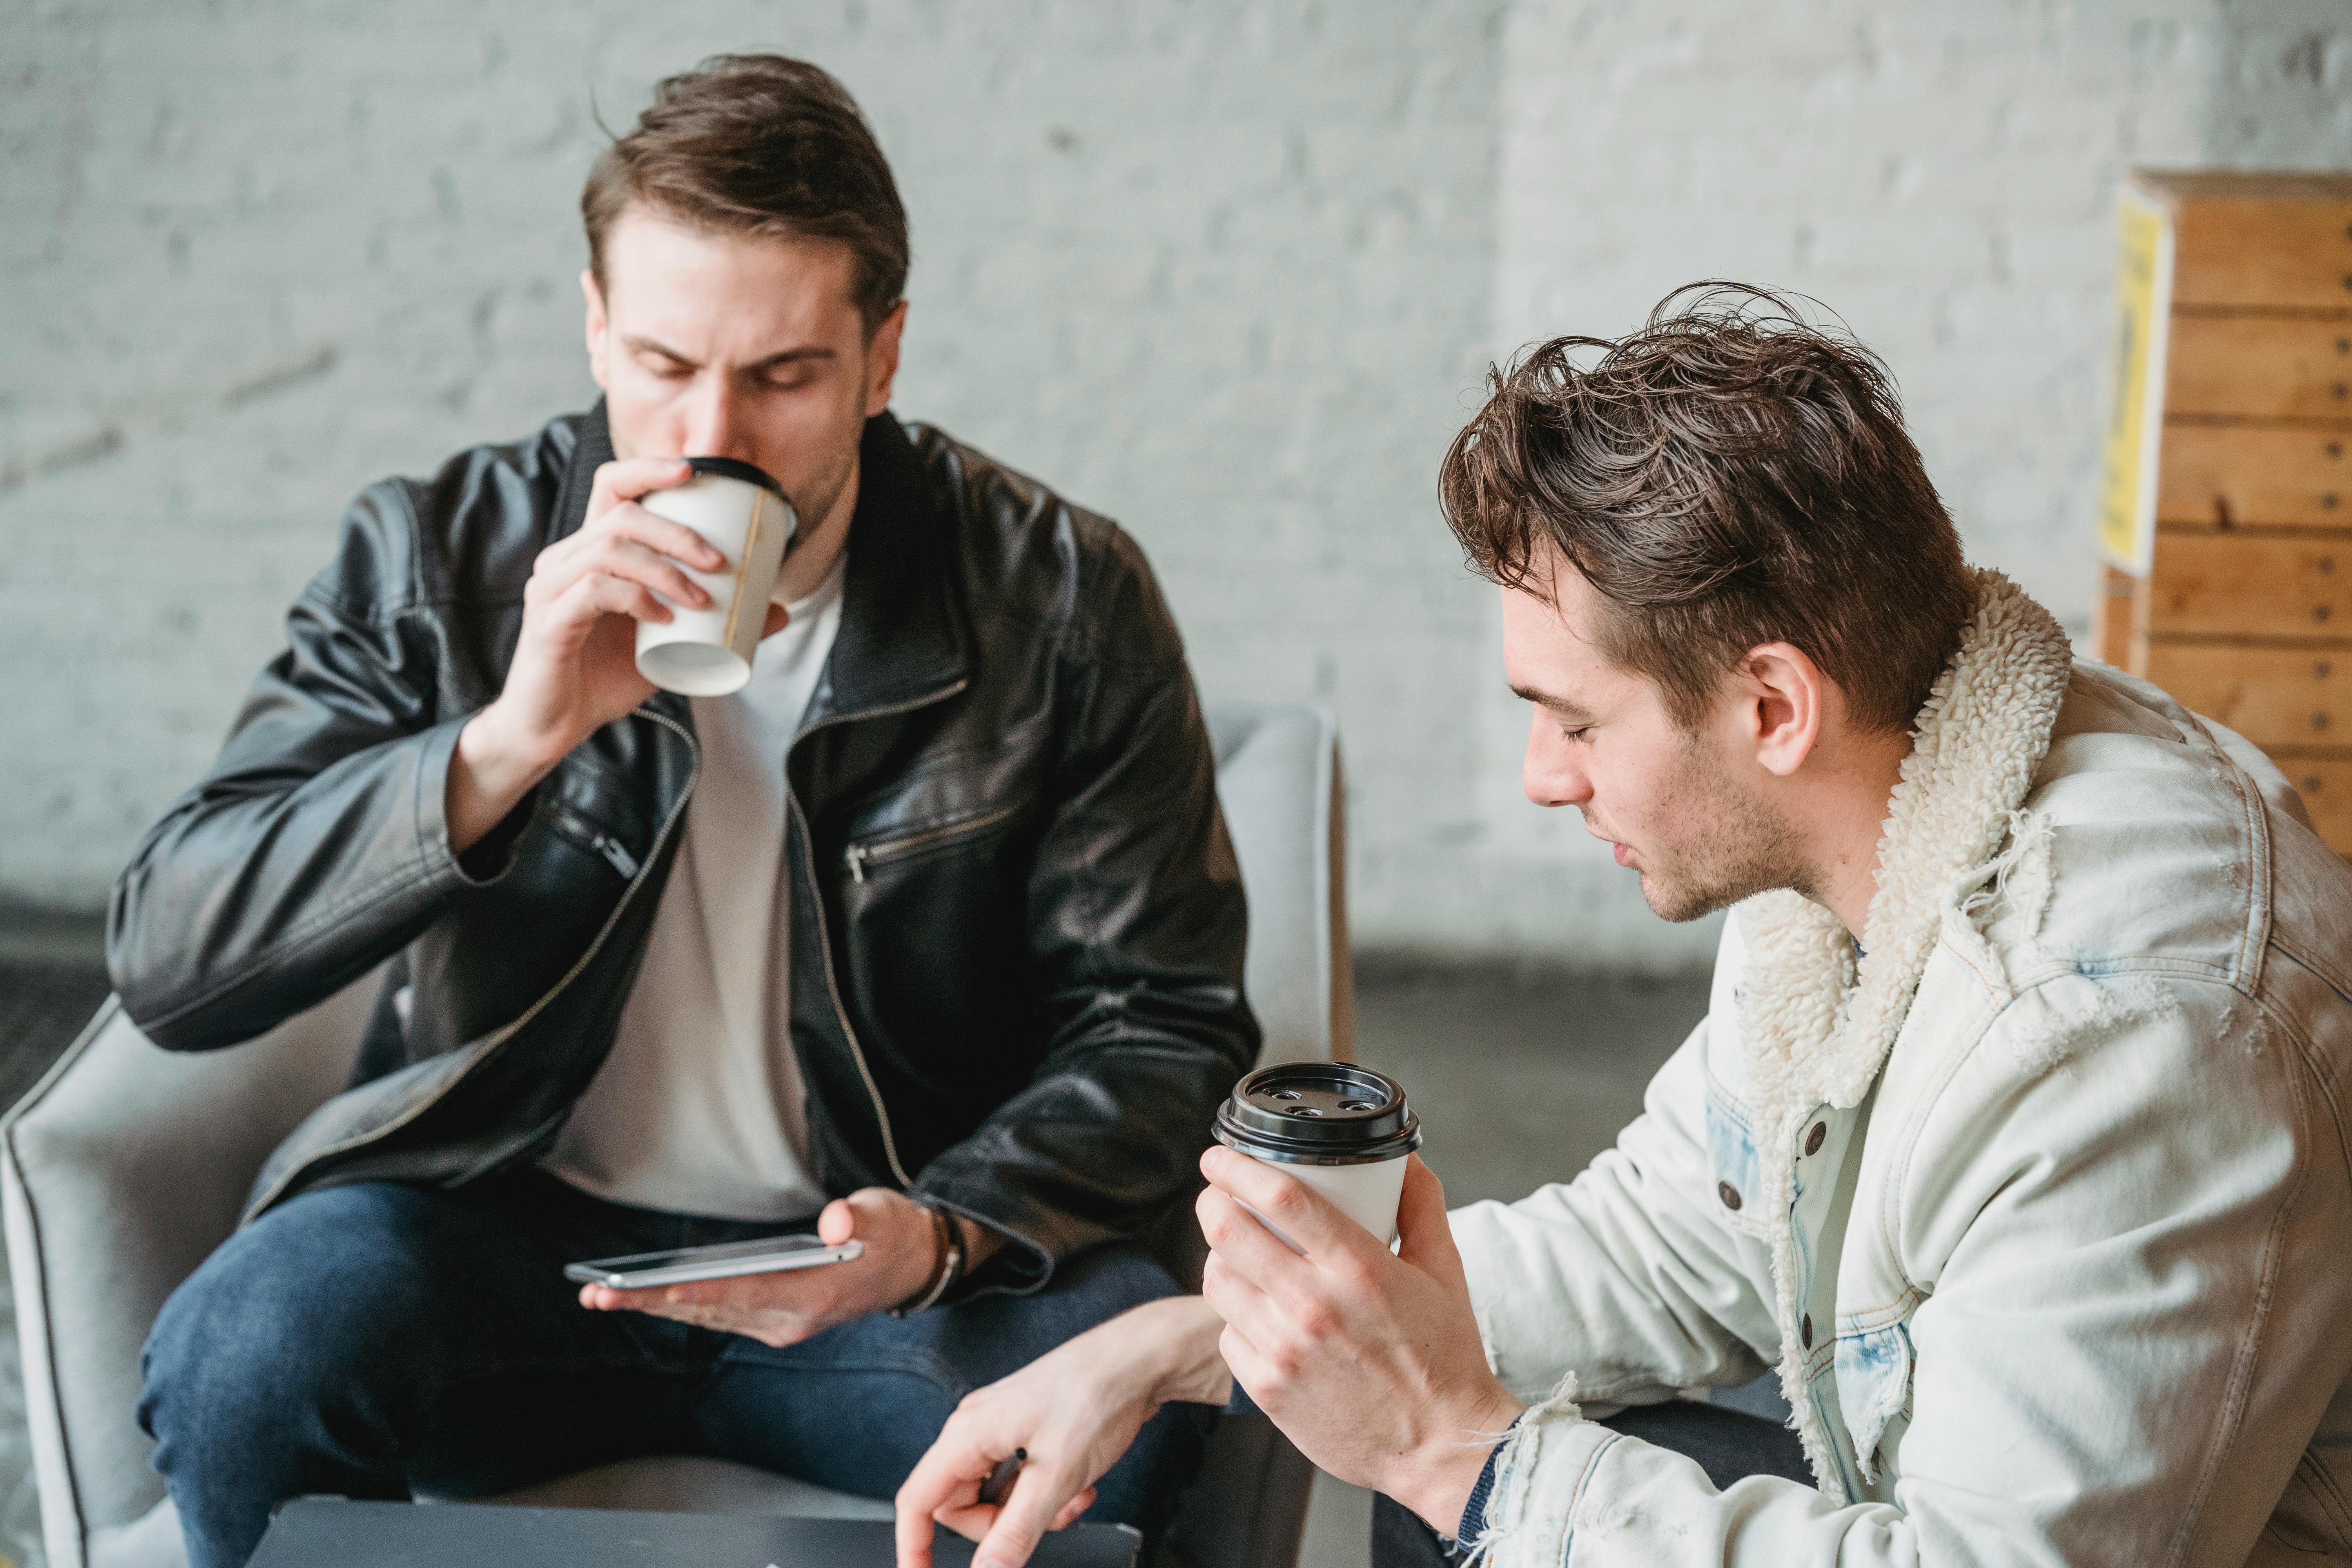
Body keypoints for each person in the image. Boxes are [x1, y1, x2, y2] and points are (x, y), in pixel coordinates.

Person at [893, 286, 2352, 1568]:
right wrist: (1181, 1348)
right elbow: (1673, 1238)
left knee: (1469, 1484)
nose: (1544, 778)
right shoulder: (1871, 825)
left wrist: (1445, 1446)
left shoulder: (2123, 1031)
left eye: (1576, 721)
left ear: (1772, 706)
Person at [110, 54, 1256, 1568]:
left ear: (884, 355)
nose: (710, 435)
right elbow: (175, 960)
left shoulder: (1058, 595)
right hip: (502, 1236)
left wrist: (944, 1230)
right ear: (593, 323)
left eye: (782, 375)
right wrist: (507, 744)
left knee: (1134, 1392)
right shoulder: (439, 555)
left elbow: (1164, 1020)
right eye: (659, 364)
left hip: (882, 1275)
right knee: (248, 1353)